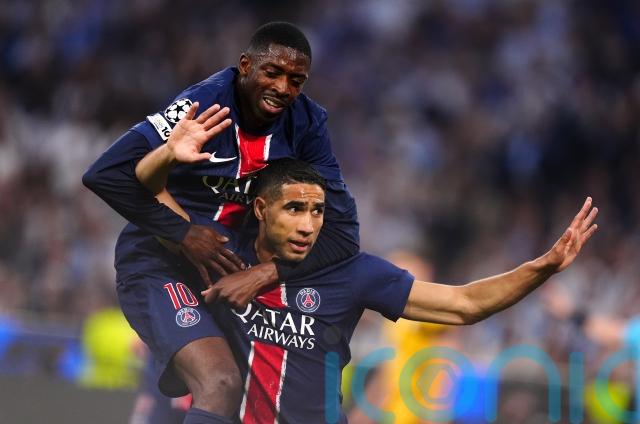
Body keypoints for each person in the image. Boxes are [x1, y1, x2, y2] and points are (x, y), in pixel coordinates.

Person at [141, 156, 598, 423]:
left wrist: (542, 267)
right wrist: (168, 151)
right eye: (294, 209)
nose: (307, 224)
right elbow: (151, 198)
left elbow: (464, 303)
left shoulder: (353, 273)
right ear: (261, 209)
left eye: (317, 211)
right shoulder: (224, 255)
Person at [82, 22, 359, 424]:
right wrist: (182, 233)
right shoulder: (202, 104)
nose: (283, 88)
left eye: (296, 81)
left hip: (233, 276)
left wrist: (266, 273)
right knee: (220, 382)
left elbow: (344, 233)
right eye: (272, 72)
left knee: (279, 393)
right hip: (159, 264)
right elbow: (105, 174)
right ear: (245, 65)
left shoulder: (307, 124)